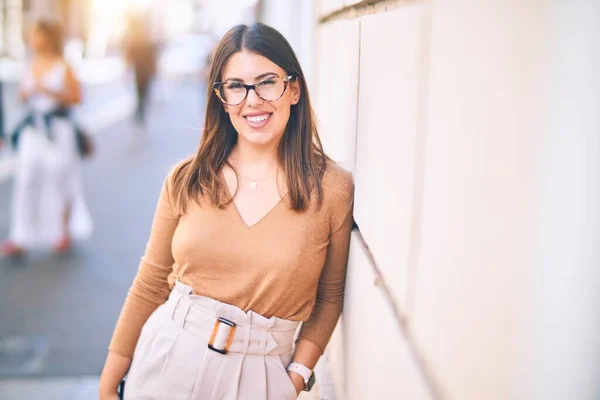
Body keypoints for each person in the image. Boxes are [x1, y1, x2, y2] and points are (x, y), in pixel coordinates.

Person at [99, 23, 354, 400]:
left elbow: (330, 297)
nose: (252, 100)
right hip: (167, 361)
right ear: (221, 98)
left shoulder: (331, 188)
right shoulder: (187, 179)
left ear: (294, 89)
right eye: (235, 86)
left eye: (267, 81)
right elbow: (150, 283)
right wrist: (109, 383)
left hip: (263, 378)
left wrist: (296, 376)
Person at [0, 18, 93, 257]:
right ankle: (20, 236)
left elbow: (77, 97)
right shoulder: (30, 64)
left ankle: (64, 230)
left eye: (36, 34)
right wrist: (28, 93)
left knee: (63, 178)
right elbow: (22, 96)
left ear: (48, 37)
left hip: (59, 130)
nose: (32, 38)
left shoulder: (64, 65)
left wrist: (48, 90)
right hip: (34, 129)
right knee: (26, 179)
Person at [122, 15, 157, 131]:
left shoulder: (140, 40)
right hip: (142, 72)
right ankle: (140, 113)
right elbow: (129, 57)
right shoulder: (142, 40)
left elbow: (129, 57)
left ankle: (140, 113)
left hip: (142, 72)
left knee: (142, 94)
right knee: (142, 94)